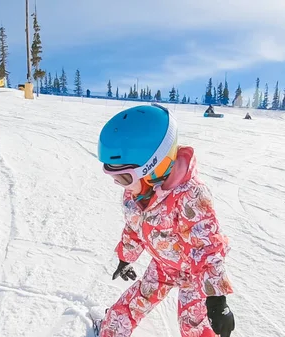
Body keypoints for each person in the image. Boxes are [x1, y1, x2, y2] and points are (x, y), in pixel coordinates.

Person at [97, 104, 235, 337]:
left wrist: (216, 298)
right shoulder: (134, 194)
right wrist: (125, 258)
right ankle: (109, 331)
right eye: (113, 176)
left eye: (123, 176)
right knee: (132, 305)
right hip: (163, 265)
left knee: (194, 325)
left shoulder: (191, 195)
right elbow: (134, 228)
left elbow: (207, 246)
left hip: (195, 272)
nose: (119, 184)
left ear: (155, 165)